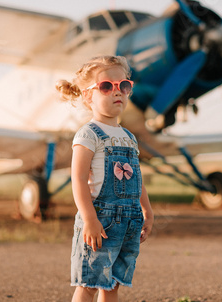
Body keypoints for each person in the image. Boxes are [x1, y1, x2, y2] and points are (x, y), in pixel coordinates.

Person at [56, 56, 154, 302]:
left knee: (112, 286)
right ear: (88, 96)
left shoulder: (129, 137)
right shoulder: (89, 134)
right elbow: (78, 179)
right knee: (89, 283)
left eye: (124, 85)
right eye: (107, 86)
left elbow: (136, 177)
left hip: (128, 222)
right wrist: (89, 219)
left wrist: (147, 210)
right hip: (101, 220)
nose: (117, 91)